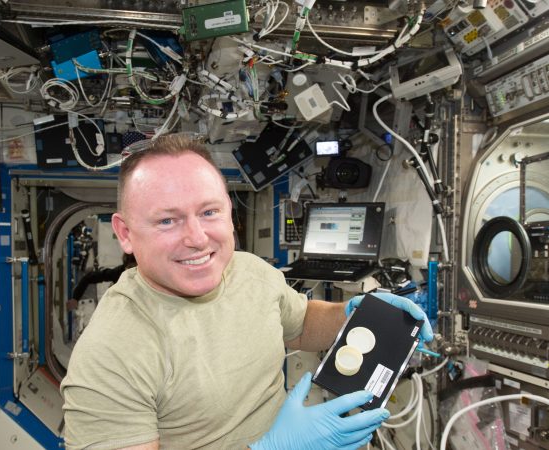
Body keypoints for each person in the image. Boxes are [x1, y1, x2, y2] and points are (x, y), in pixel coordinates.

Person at [60, 134, 433, 450]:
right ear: (125, 233)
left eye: (209, 212)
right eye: (167, 220)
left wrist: (357, 316)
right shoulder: (110, 353)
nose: (196, 238)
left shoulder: (249, 270)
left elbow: (300, 324)